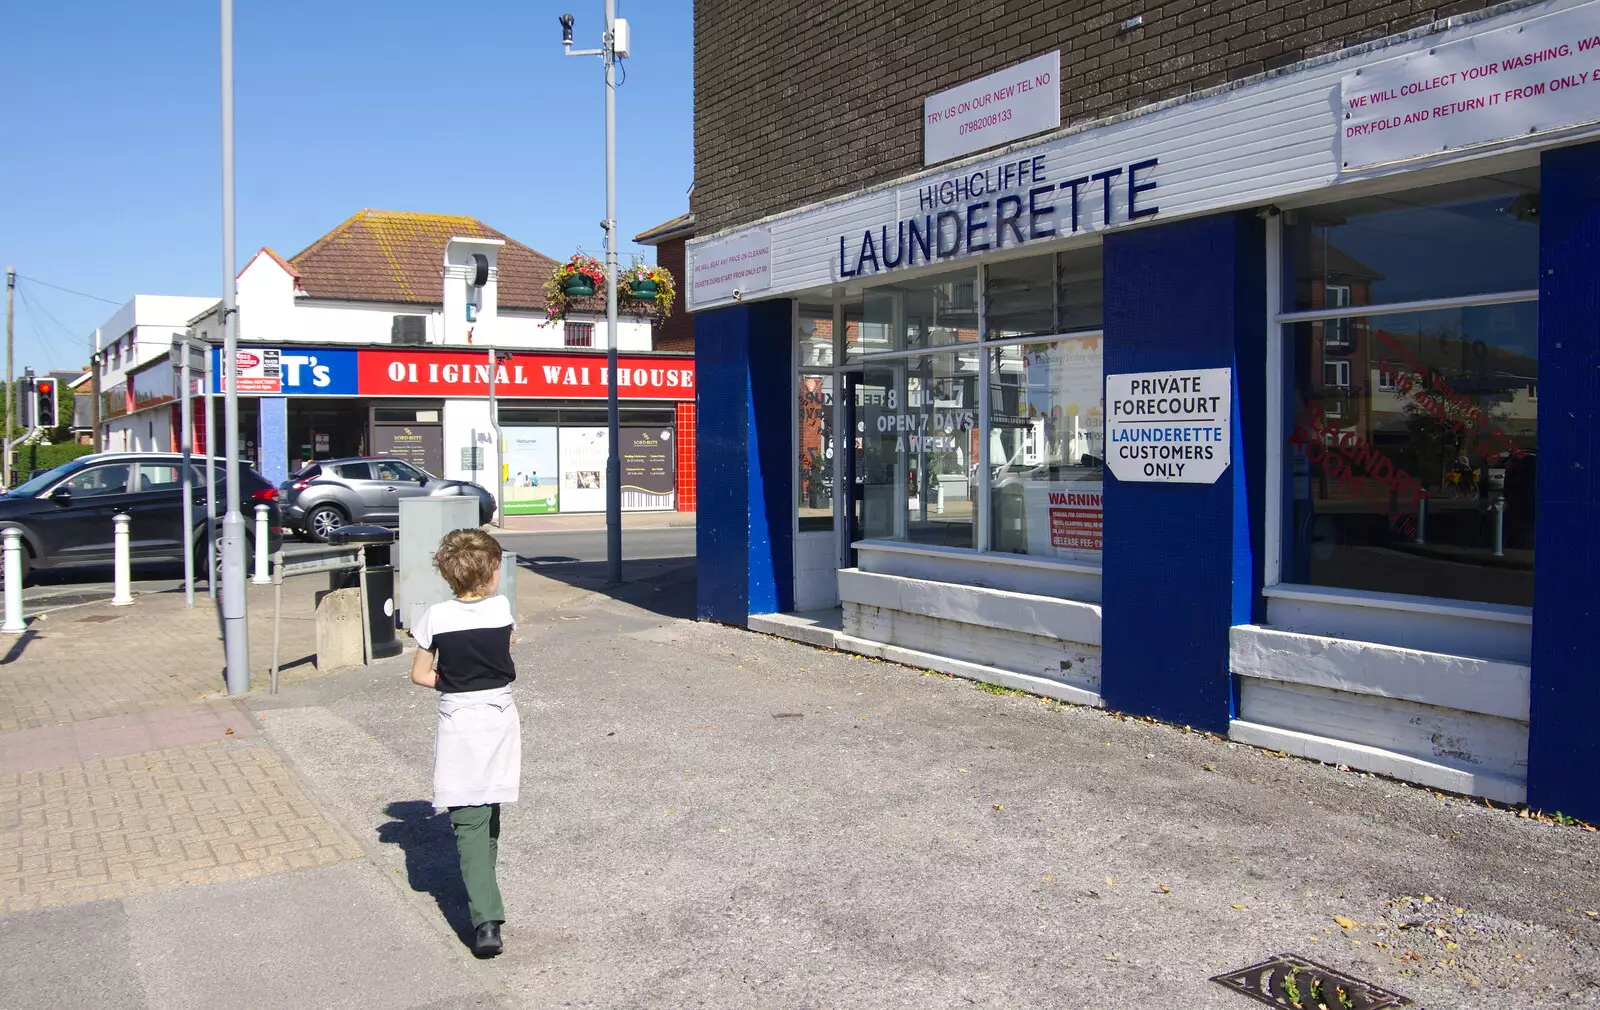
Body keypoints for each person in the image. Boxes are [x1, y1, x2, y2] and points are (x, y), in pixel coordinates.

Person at [408, 529, 520, 958]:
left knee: (468, 817)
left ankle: (486, 920)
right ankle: (484, 893)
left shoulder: (434, 617)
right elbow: (504, 651)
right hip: (499, 714)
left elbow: (420, 675)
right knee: (488, 804)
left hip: (458, 716)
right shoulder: (502, 609)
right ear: (491, 571)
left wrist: (451, 680)